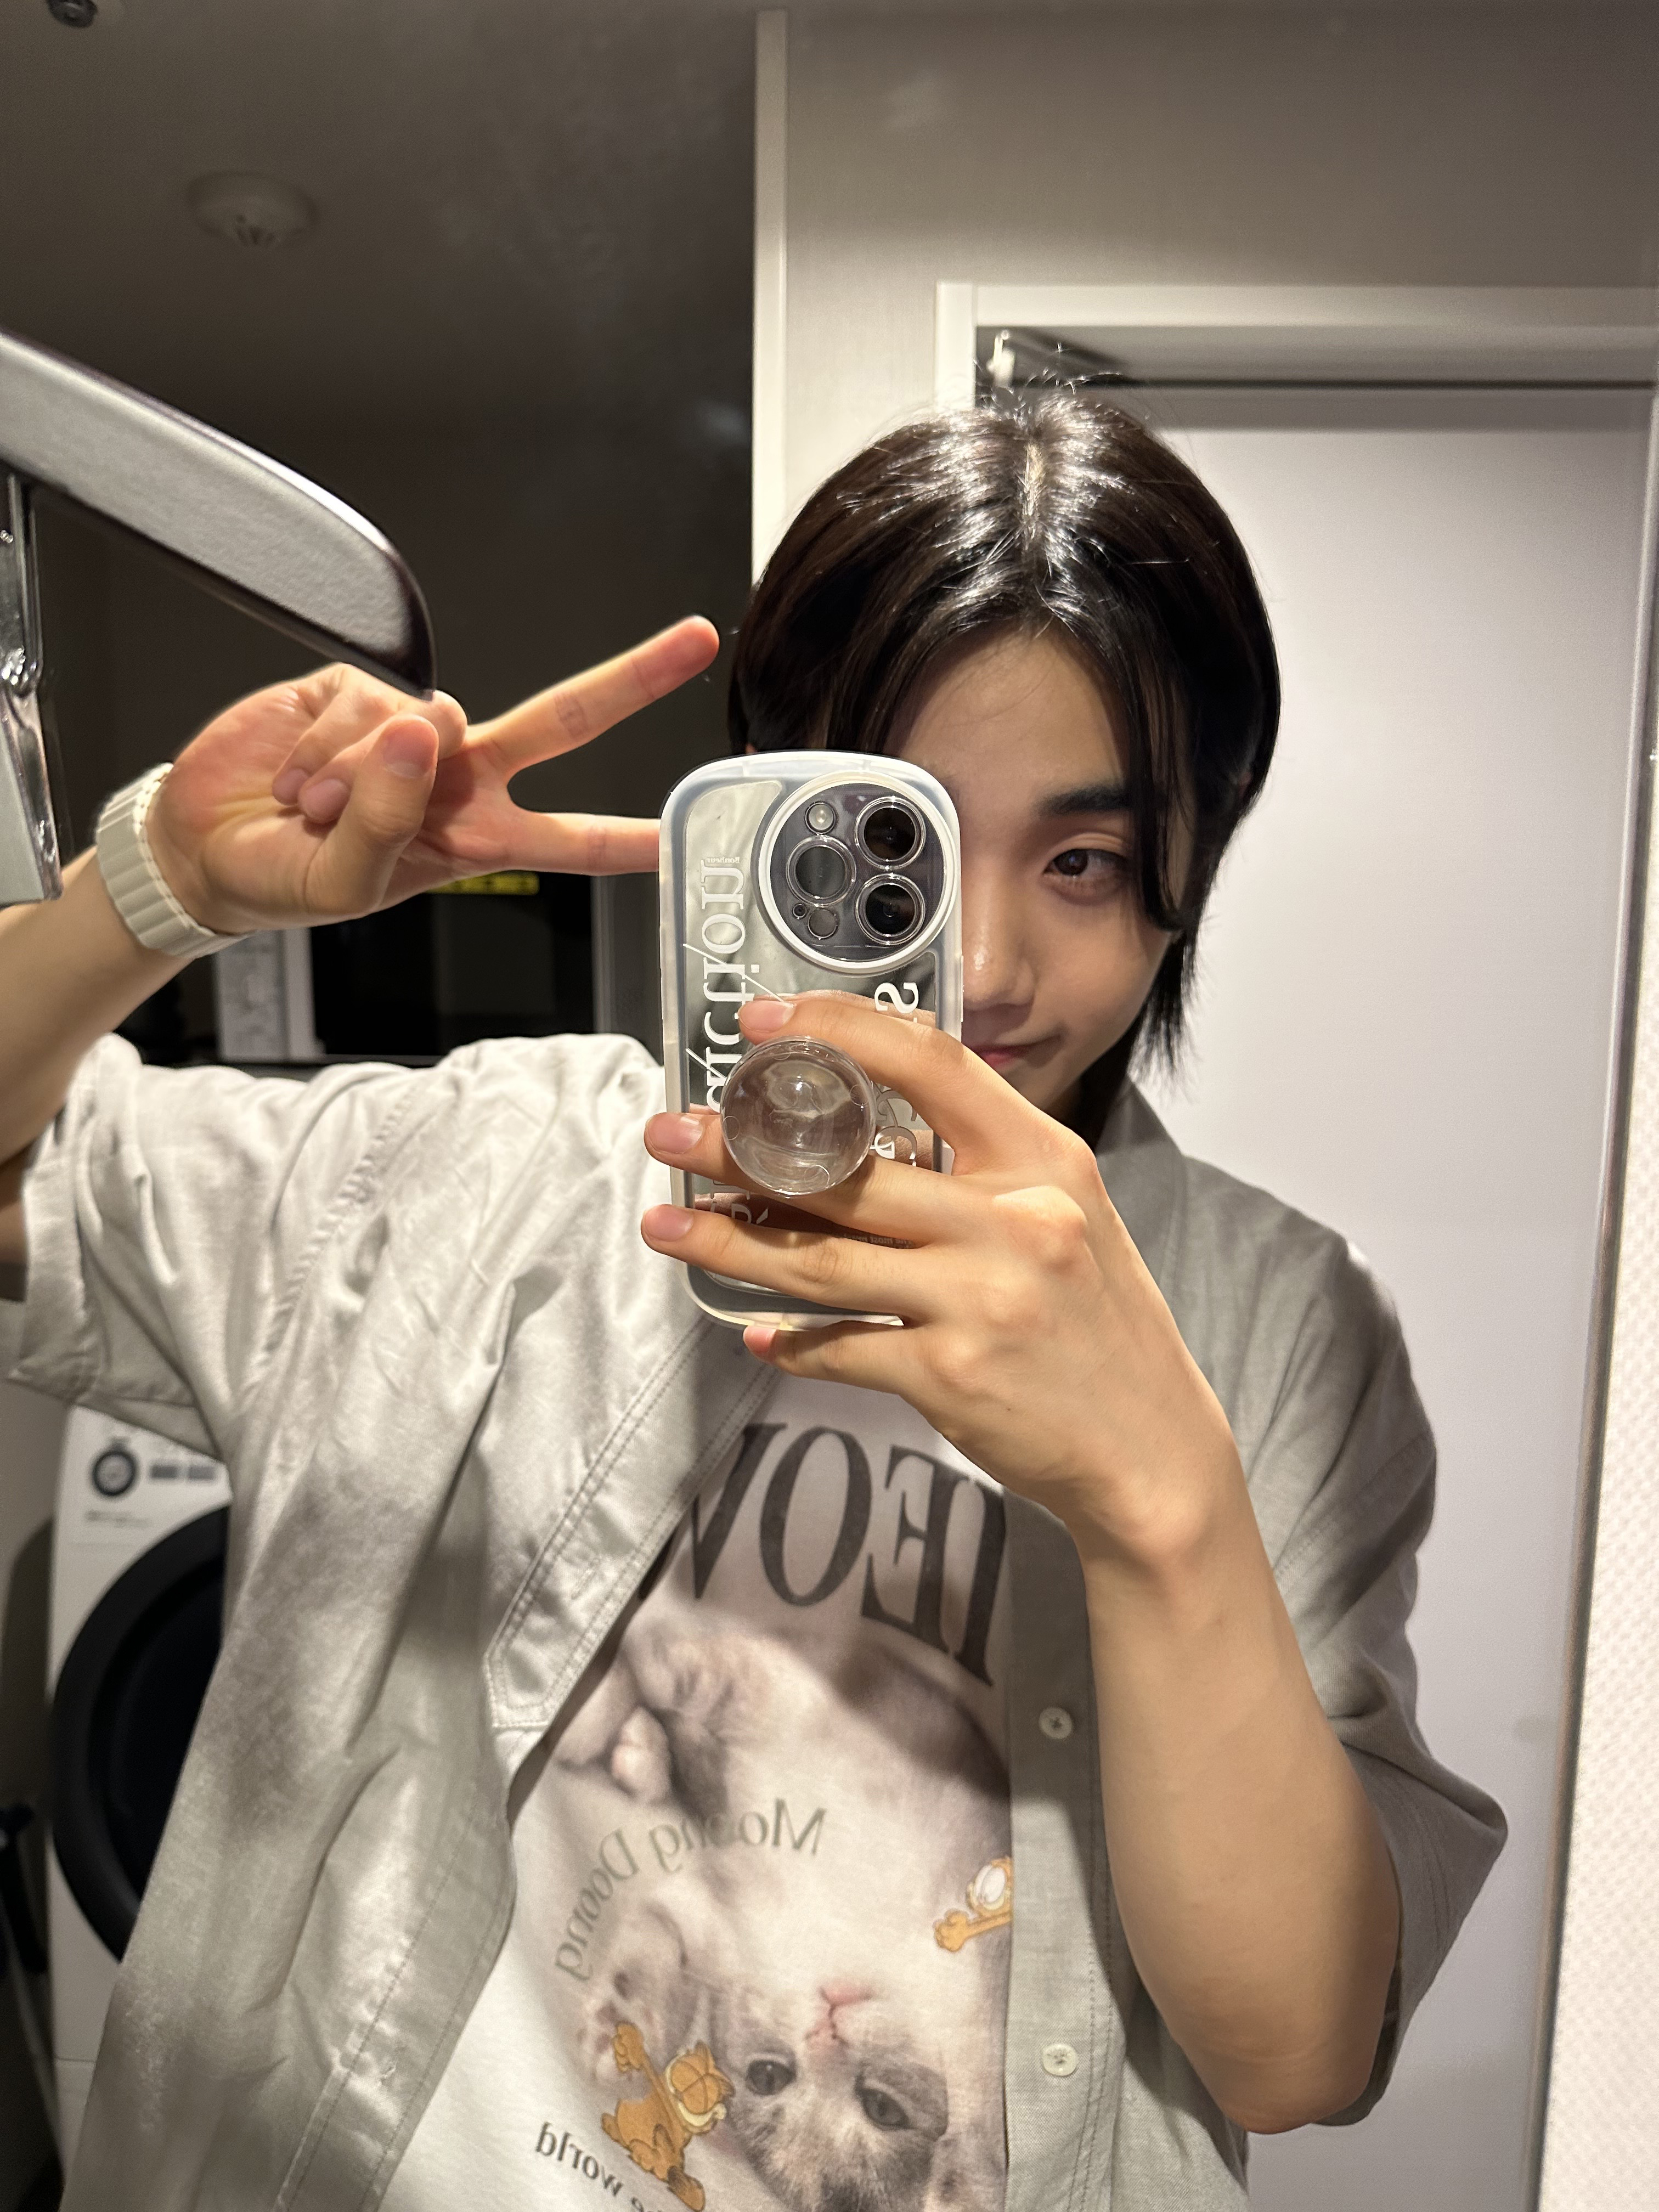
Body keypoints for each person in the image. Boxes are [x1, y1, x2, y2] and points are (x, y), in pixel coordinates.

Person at [0, 398, 1503, 2212]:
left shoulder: (1282, 1329)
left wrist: (1160, 1500)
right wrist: (147, 895)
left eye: (1085, 864)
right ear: (760, 818)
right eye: (892, 853)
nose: (988, 970)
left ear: (1189, 873)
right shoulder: (484, 1168)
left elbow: (1295, 2053)